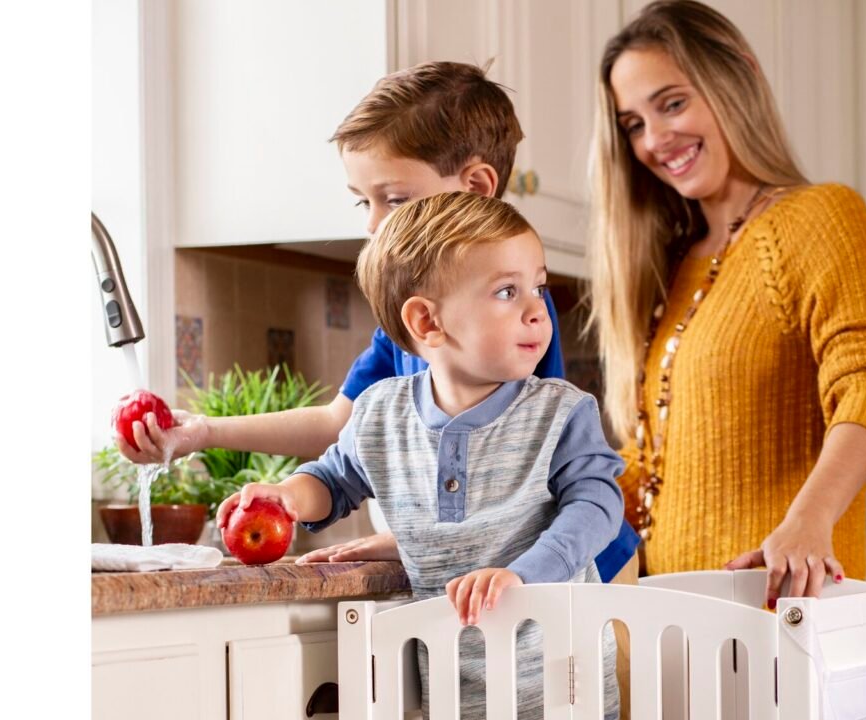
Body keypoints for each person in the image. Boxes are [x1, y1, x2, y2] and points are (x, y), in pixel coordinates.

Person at [217, 192, 630, 720]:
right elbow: (331, 481)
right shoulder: (380, 417)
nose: (537, 310)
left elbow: (598, 506)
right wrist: (288, 500)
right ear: (428, 322)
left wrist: (528, 572)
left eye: (538, 286)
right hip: (454, 717)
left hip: (556, 706)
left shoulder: (561, 413)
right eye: (506, 291)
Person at [588, 2, 866, 720]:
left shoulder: (819, 218)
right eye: (633, 122)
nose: (655, 138)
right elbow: (646, 470)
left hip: (776, 623)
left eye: (671, 102)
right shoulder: (671, 268)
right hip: (673, 638)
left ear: (731, 85)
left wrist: (809, 516)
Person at [116, 59, 638, 584]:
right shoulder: (414, 329)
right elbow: (342, 429)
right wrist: (203, 433)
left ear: (476, 187)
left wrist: (416, 539)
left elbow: (522, 473)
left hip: (585, 559)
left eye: (395, 198)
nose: (372, 222)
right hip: (487, 575)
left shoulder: (504, 314)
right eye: (364, 201)